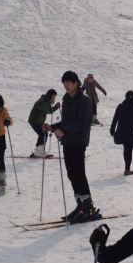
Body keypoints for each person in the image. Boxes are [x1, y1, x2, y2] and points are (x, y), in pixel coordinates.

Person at [46, 70, 100, 222]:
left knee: (79, 173)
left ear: (76, 82)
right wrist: (52, 127)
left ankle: (88, 206)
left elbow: (82, 123)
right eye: (64, 83)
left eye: (68, 83)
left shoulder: (85, 100)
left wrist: (62, 130)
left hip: (79, 140)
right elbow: (66, 121)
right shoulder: (66, 98)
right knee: (71, 173)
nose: (66, 86)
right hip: (68, 140)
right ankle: (80, 204)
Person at [110, 90, 133, 176]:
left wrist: (112, 130)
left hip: (121, 131)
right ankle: (127, 169)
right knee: (128, 150)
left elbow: (115, 119)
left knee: (126, 149)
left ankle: (127, 169)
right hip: (131, 132)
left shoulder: (120, 106)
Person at [27, 89, 59, 158]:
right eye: (54, 97)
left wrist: (54, 105)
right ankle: (38, 151)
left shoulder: (45, 100)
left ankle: (38, 151)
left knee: (43, 133)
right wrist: (55, 106)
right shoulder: (43, 102)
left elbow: (48, 110)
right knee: (42, 134)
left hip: (37, 121)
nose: (54, 99)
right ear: (50, 96)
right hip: (35, 121)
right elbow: (49, 111)